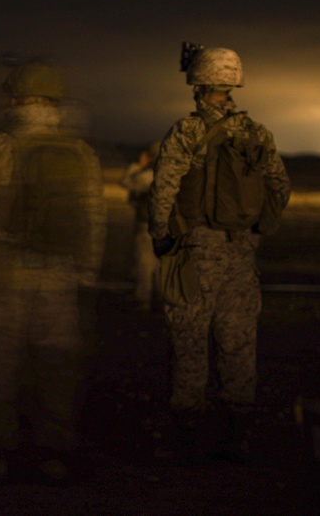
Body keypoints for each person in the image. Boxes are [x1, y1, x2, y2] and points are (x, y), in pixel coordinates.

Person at [0, 60, 106, 483]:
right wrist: (87, 272)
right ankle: (54, 454)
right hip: (60, 273)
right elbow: (94, 217)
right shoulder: (81, 152)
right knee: (56, 362)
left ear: (14, 99)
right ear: (57, 101)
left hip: (3, 268)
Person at [148, 46, 291, 463]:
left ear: (197, 85)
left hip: (195, 250)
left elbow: (164, 190)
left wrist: (162, 235)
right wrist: (253, 233)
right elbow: (279, 188)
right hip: (241, 253)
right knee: (239, 341)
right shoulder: (258, 134)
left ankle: (187, 435)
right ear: (232, 85)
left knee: (190, 340)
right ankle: (238, 434)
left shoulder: (186, 132)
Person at [120, 141, 161, 311]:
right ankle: (159, 298)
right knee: (158, 265)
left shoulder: (150, 175)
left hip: (147, 225)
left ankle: (143, 298)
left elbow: (126, 182)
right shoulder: (169, 173)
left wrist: (138, 166)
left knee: (144, 263)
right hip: (162, 226)